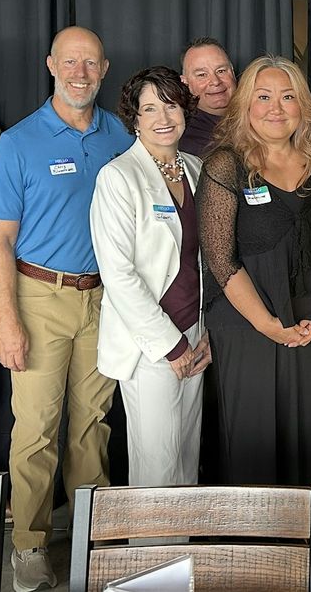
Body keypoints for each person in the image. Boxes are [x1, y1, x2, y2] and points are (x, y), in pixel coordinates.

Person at [0, 26, 133, 592]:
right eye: (70, 62)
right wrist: (7, 321)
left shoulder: (120, 134)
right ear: (51, 65)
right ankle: (29, 544)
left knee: (92, 424)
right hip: (38, 298)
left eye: (90, 63)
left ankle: (93, 535)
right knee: (37, 428)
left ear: (104, 68)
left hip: (105, 299)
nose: (80, 73)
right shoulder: (19, 142)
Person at [197, 56, 311, 485]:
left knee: (299, 441)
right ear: (245, 104)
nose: (276, 108)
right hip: (246, 323)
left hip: (305, 324)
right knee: (252, 443)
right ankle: (250, 529)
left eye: (288, 97)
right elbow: (220, 259)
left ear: (302, 105)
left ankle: (296, 527)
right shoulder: (225, 165)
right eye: (263, 97)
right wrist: (267, 324)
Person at [91, 66, 212, 487]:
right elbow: (118, 274)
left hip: (195, 333)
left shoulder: (196, 169)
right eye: (150, 109)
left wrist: (204, 334)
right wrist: (170, 346)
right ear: (135, 118)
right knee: (157, 468)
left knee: (188, 459)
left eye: (172, 105)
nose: (163, 117)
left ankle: (185, 535)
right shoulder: (118, 177)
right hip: (151, 344)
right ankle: (150, 535)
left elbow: (205, 260)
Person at [179, 37, 236, 157]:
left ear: (233, 72)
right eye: (202, 75)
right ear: (185, 83)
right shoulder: (188, 140)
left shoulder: (259, 114)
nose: (215, 81)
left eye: (221, 71)